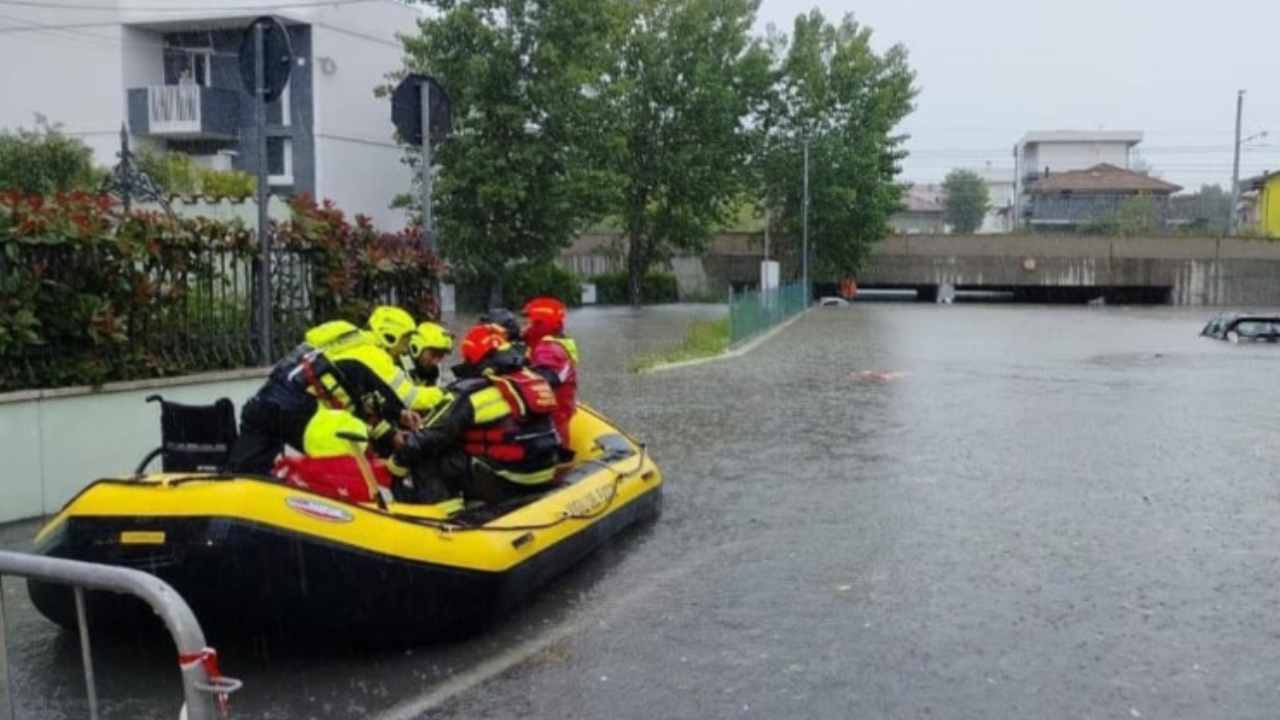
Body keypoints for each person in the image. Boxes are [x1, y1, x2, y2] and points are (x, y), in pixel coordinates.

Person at [226, 307, 419, 474]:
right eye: (405, 340)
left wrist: (395, 418)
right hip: (296, 409)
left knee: (246, 471)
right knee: (348, 445)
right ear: (391, 335)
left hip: (262, 403)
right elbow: (362, 405)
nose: (404, 349)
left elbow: (358, 400)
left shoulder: (340, 345)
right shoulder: (369, 353)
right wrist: (396, 422)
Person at [387, 323, 562, 504]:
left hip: (507, 479)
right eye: (435, 354)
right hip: (544, 472)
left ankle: (445, 515)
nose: (438, 361)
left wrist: (395, 464)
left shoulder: (472, 393)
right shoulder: (532, 380)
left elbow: (429, 437)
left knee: (426, 454)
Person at [521, 297, 579, 452]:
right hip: (559, 415)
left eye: (530, 323)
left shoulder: (548, 349)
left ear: (541, 324)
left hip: (553, 423)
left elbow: (544, 379)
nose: (526, 327)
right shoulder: (554, 343)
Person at [404, 321, 454, 413]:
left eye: (440, 356)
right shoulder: (396, 367)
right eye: (433, 354)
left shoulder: (432, 371)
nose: (436, 362)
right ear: (416, 347)